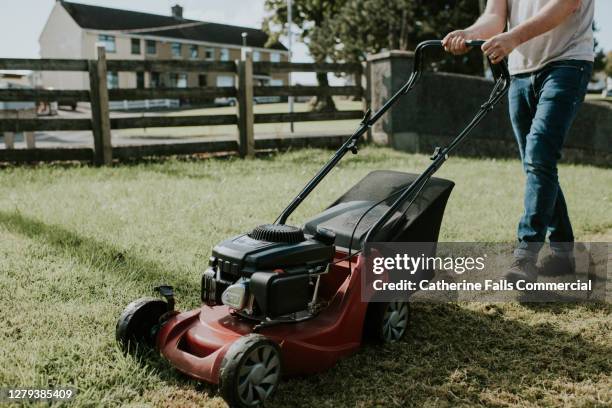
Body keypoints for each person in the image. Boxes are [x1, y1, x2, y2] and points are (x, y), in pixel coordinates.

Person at [442, 0, 594, 282]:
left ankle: (525, 255)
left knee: (539, 156)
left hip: (568, 63)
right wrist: (469, 33)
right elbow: (494, 17)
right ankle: (563, 253)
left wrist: (513, 37)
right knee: (537, 163)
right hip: (521, 71)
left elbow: (566, 4)